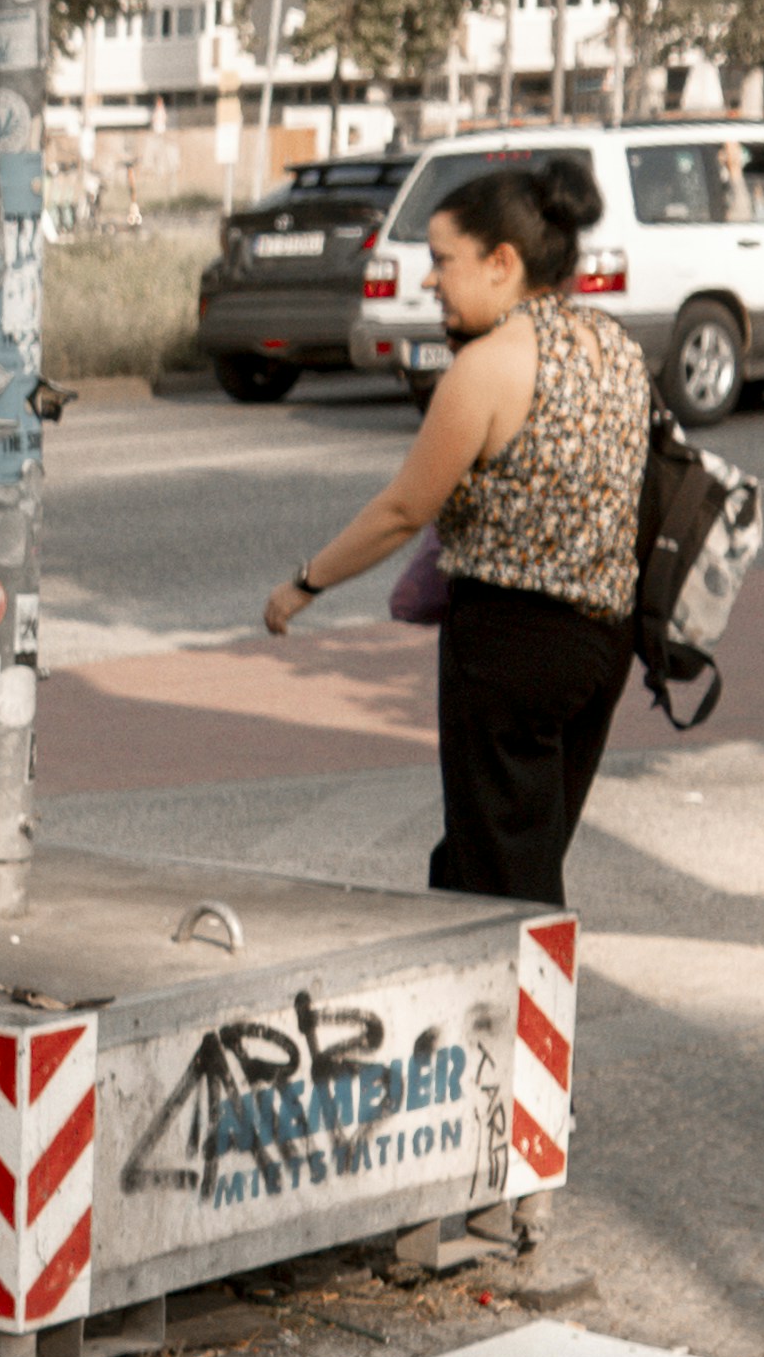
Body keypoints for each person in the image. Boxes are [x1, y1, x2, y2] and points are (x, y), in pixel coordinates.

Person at [260, 151, 650, 910]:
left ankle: (511, 1021)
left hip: (509, 646)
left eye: (443, 261)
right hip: (601, 644)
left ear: (501, 263)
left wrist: (302, 585)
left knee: (498, 880)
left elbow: (404, 510)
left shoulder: (488, 366)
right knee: (519, 850)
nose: (430, 279)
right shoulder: (614, 346)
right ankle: (499, 1014)